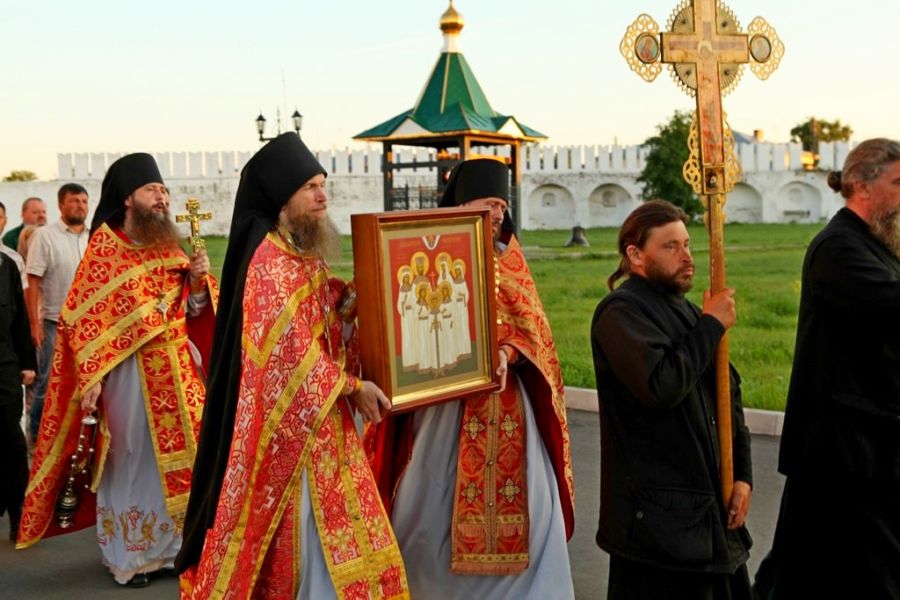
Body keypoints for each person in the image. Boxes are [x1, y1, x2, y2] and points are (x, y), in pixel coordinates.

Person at [176, 133, 408, 599]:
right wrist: (351, 387)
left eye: (323, 185)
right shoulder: (267, 260)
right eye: (310, 187)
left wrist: (360, 298)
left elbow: (325, 318)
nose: (323, 196)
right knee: (307, 538)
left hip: (326, 420)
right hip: (290, 431)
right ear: (283, 200)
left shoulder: (301, 252)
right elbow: (288, 354)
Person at [367, 158, 575, 599]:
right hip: (443, 405)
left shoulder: (509, 258)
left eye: (502, 204)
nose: (498, 212)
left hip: (506, 407)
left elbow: (532, 330)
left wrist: (507, 351)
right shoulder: (423, 256)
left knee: (532, 512)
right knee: (427, 509)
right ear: (462, 204)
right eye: (488, 203)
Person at [17, 153, 218, 588]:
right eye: (153, 190)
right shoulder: (105, 250)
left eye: (164, 190)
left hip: (178, 376)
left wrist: (199, 282)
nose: (162, 198)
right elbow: (82, 322)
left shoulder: (171, 248)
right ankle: (133, 558)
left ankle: (176, 549)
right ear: (129, 198)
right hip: (127, 379)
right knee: (129, 461)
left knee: (187, 460)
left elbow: (194, 311)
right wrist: (91, 379)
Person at [755, 138, 900, 599]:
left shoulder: (873, 244)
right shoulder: (838, 248)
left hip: (863, 445)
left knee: (810, 566)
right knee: (851, 571)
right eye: (899, 183)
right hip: (843, 450)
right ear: (862, 184)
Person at [590, 200, 753, 599]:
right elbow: (661, 386)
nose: (686, 257)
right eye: (670, 247)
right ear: (635, 255)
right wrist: (712, 324)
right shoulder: (620, 313)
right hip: (659, 527)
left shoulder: (688, 311)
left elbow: (727, 393)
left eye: (687, 245)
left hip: (708, 512)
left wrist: (743, 475)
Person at [24, 184, 90, 442]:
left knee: (84, 382)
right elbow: (33, 281)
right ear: (61, 205)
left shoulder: (93, 236)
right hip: (55, 322)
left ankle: (73, 438)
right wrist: (34, 325)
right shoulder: (45, 236)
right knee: (48, 383)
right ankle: (37, 437)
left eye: (84, 201)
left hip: (88, 323)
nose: (80, 206)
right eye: (74, 201)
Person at [0, 248, 36, 542]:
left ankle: (18, 512)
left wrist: (27, 362)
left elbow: (19, 319)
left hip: (4, 369)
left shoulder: (6, 265)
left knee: (12, 442)